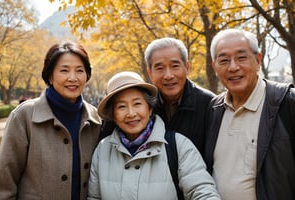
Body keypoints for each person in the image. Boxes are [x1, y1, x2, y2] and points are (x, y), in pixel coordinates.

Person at [87, 71, 221, 200]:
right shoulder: (102, 150)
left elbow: (201, 190)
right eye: (121, 107)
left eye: (137, 104)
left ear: (150, 108)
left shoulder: (178, 145)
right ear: (113, 116)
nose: (131, 113)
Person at [0, 41, 102, 199]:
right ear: (50, 75)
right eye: (64, 70)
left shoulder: (96, 119)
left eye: (80, 70)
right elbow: (4, 184)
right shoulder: (24, 116)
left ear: (87, 75)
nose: (73, 78)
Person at [204, 28, 295, 200]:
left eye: (241, 58)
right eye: (223, 60)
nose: (233, 67)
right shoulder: (214, 109)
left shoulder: (287, 103)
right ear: (214, 66)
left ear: (258, 60)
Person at [144, 37, 215, 155]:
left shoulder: (209, 104)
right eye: (160, 68)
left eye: (175, 66)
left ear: (187, 68)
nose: (168, 75)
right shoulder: (143, 105)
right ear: (150, 73)